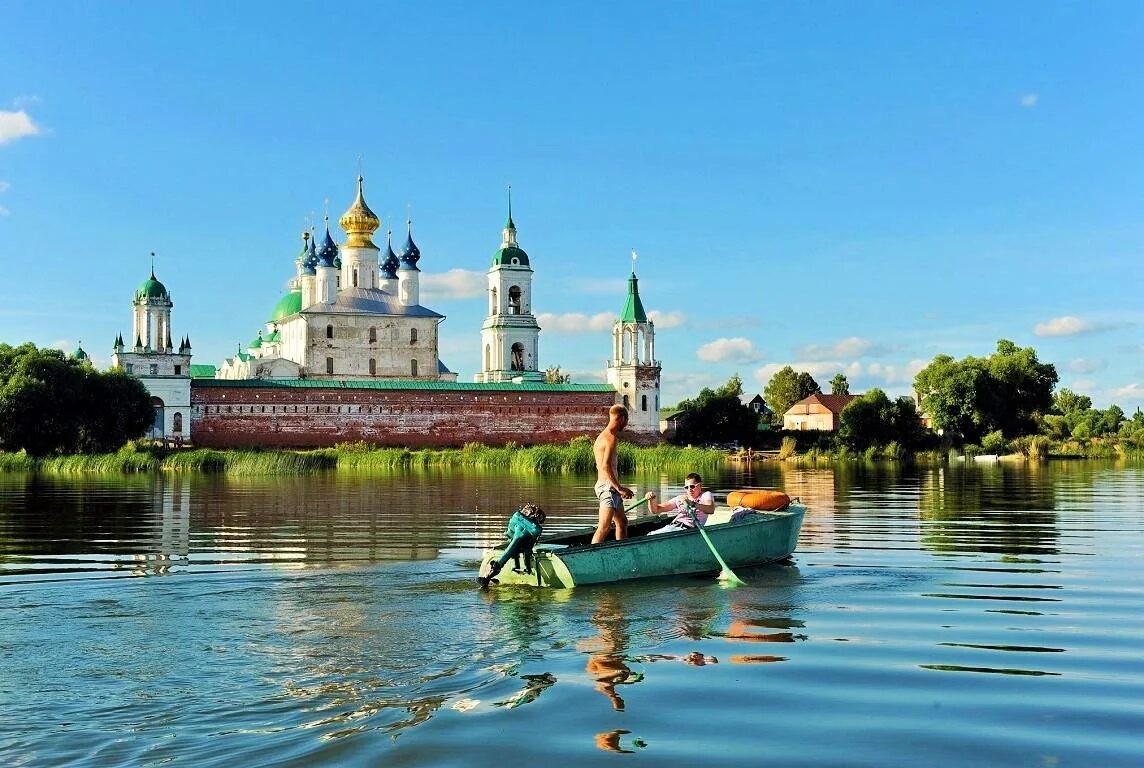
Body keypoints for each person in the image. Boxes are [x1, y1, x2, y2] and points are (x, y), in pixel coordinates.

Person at [592, 404, 634, 544]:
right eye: (627, 420)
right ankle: (590, 557)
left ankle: (623, 552)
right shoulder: (610, 438)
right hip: (608, 488)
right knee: (604, 527)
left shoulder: (601, 437)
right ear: (622, 418)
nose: (626, 424)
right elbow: (605, 466)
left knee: (622, 522)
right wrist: (620, 488)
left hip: (610, 487)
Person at [644, 473, 716, 535]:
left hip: (688, 529)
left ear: (700, 485)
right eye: (686, 487)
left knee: (653, 536)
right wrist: (651, 500)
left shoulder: (706, 495)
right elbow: (655, 510)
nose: (689, 489)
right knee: (650, 535)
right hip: (673, 526)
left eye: (692, 486)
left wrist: (693, 504)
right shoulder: (680, 498)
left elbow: (710, 509)